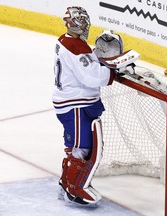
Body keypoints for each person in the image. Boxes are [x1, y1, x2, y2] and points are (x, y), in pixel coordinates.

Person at [52, 6, 120, 206]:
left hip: (73, 102)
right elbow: (90, 76)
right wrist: (114, 72)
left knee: (77, 146)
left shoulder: (69, 41)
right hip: (76, 104)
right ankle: (74, 191)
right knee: (83, 147)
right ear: (73, 23)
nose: (85, 24)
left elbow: (84, 63)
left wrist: (98, 58)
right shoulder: (74, 46)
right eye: (82, 20)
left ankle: (66, 183)